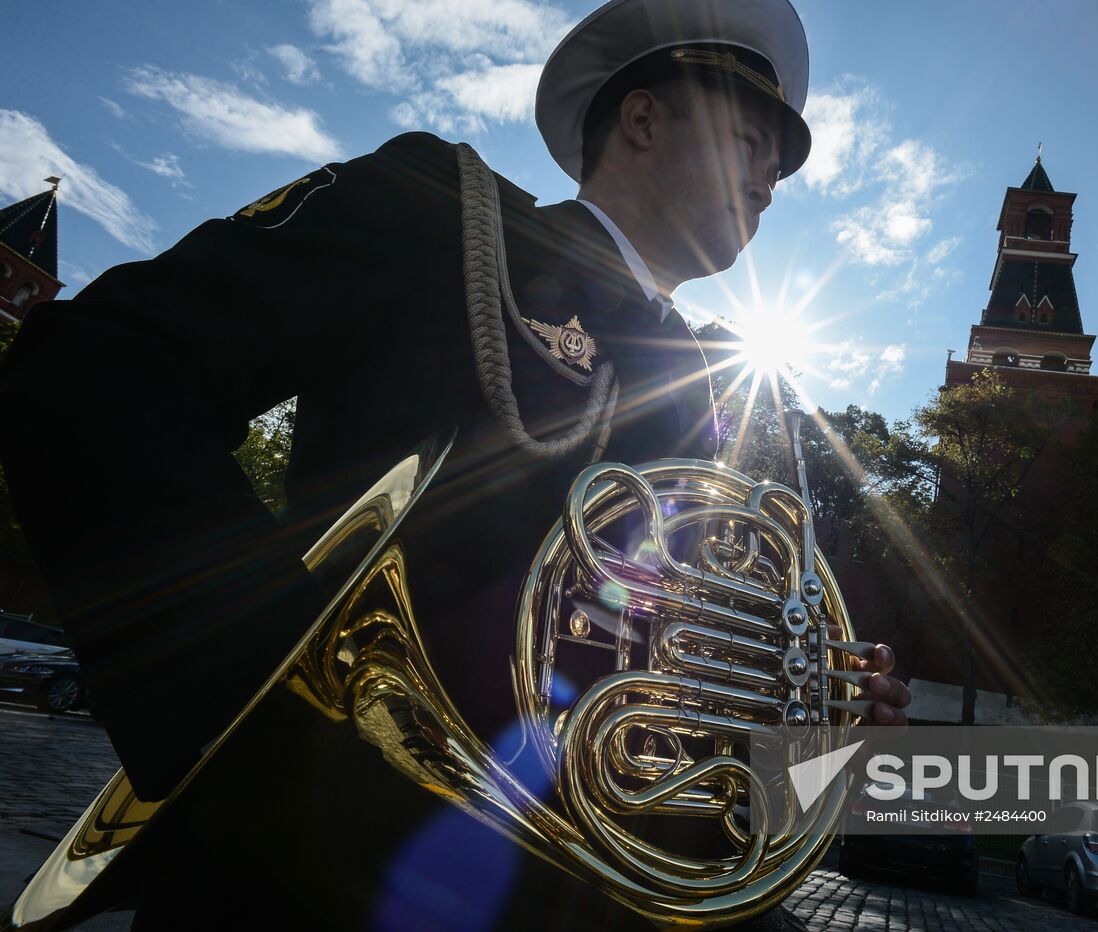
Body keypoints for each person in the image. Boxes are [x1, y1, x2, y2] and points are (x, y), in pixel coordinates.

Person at [0, 0, 912, 927]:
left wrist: (801, 716)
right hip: (316, 882)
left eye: (779, 163)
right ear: (642, 119)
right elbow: (95, 375)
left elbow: (658, 677)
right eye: (753, 141)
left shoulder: (705, 393)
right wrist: (271, 731)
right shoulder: (443, 214)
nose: (770, 183)